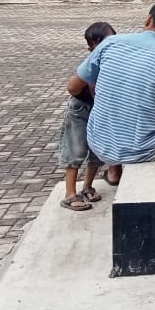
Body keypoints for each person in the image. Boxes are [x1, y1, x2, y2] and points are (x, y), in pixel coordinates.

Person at [69, 1, 155, 185]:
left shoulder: (109, 43)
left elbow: (73, 87)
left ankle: (115, 170)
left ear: (148, 19)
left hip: (98, 142)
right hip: (141, 150)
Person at [57, 22, 116, 211]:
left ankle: (88, 186)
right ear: (92, 47)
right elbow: (74, 87)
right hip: (82, 110)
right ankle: (69, 193)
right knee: (76, 148)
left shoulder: (115, 60)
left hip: (101, 109)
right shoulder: (92, 62)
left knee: (97, 150)